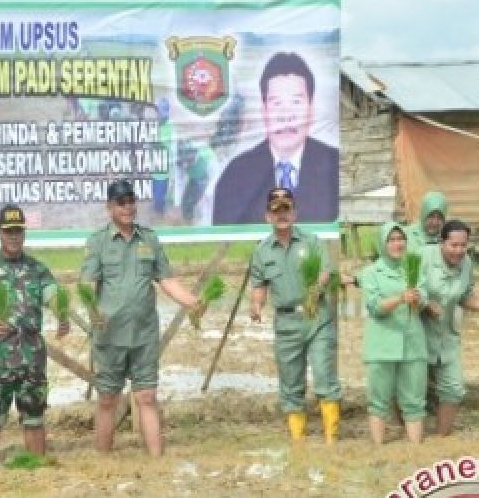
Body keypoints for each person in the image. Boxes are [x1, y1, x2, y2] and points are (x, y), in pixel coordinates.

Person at [81, 180, 201, 456]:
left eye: (131, 201)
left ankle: (156, 461)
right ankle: (103, 462)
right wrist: (93, 312)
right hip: (110, 335)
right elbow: (87, 284)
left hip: (143, 333)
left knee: (147, 396)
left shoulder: (149, 239)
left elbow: (166, 280)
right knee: (108, 399)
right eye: (121, 202)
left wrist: (192, 302)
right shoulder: (98, 242)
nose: (128, 207)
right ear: (110, 207)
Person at [0, 205, 69, 462]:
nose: (13, 236)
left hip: (31, 361)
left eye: (18, 231)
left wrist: (62, 315)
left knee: (34, 419)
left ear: (24, 234)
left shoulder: (38, 270)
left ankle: (35, 471)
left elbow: (53, 297)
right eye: (8, 231)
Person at [248, 188, 342, 443]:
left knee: (324, 375)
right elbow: (260, 285)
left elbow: (325, 271)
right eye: (276, 210)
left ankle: (332, 440)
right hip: (287, 322)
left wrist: (317, 288)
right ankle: (298, 441)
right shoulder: (262, 251)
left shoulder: (312, 241)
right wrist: (256, 306)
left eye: (286, 209)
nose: (282, 214)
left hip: (317, 317)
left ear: (294, 212)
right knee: (291, 383)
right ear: (268, 216)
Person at [211, 52, 339, 225]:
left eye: (296, 102)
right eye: (276, 103)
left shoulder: (336, 166)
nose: (286, 116)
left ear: (312, 108)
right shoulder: (235, 175)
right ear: (263, 110)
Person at [420, 219, 479, 435]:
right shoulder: (423, 257)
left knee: (453, 388)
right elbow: (407, 286)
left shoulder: (467, 264)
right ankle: (411, 438)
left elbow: (465, 295)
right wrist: (425, 303)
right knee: (411, 389)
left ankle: (442, 438)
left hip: (446, 335)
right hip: (418, 333)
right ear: (441, 243)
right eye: (454, 245)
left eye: (464, 245)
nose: (459, 250)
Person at [359, 222, 429, 444]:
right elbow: (374, 307)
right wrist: (400, 298)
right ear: (382, 243)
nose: (397, 243)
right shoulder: (370, 273)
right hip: (382, 343)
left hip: (413, 341)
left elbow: (424, 303)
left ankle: (415, 448)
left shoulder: (414, 268)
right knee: (379, 400)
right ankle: (379, 448)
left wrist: (418, 299)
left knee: (415, 398)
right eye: (392, 239)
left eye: (401, 239)